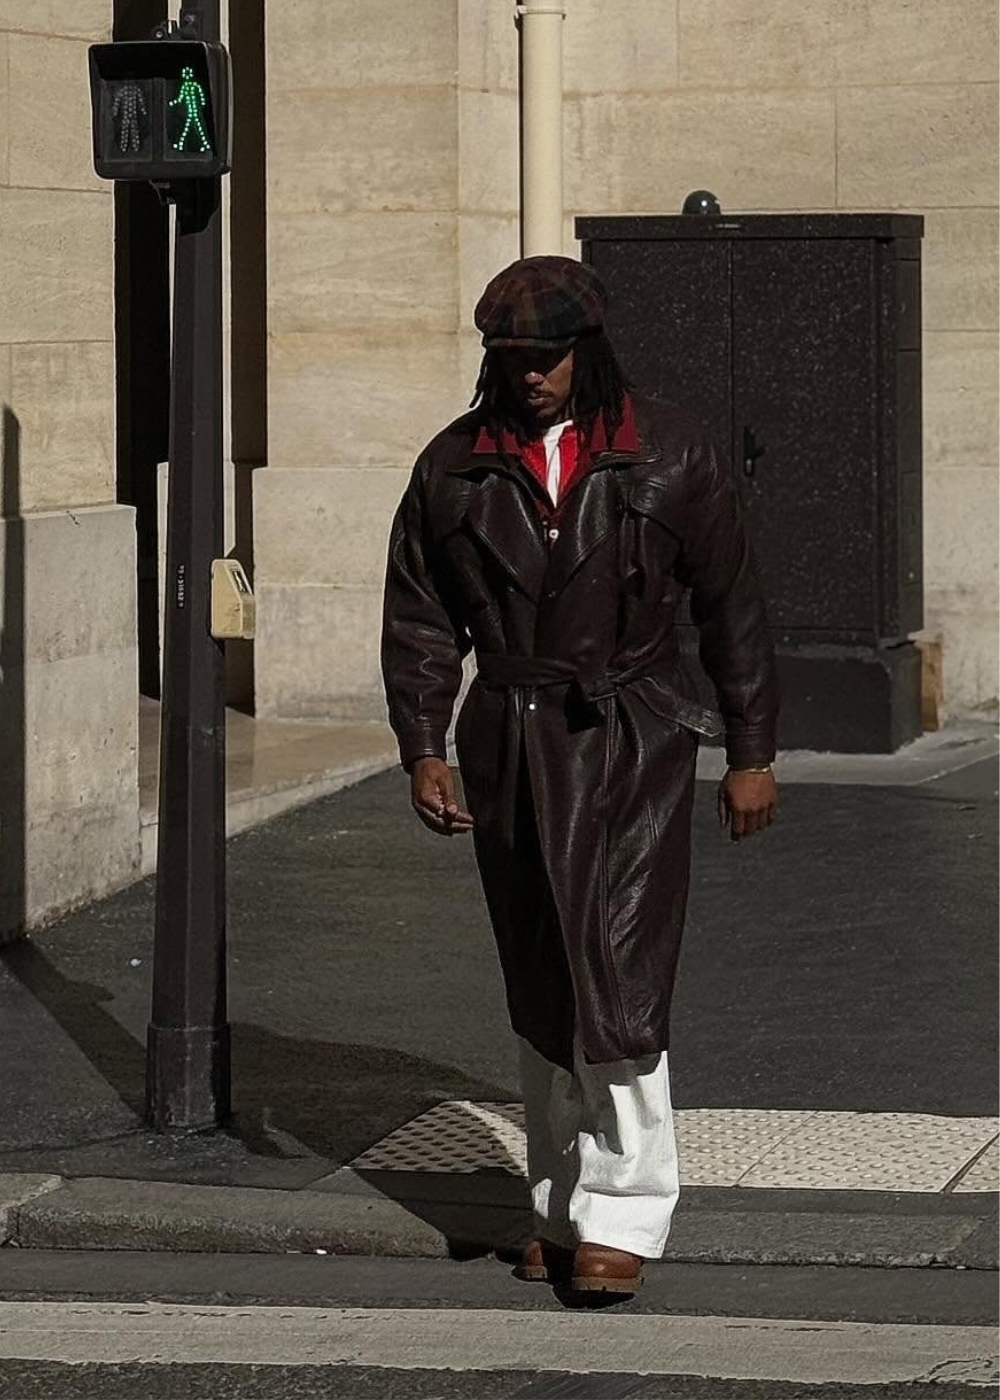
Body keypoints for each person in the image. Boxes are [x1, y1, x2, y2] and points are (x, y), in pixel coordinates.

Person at [380, 255, 779, 1295]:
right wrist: (424, 743)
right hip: (509, 738)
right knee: (541, 976)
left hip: (631, 736)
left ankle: (626, 1212)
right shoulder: (452, 465)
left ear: (585, 351)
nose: (529, 377)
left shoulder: (672, 451)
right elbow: (419, 618)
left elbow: (731, 608)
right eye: (510, 359)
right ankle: (557, 1206)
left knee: (619, 970)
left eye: (547, 358)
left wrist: (750, 750)